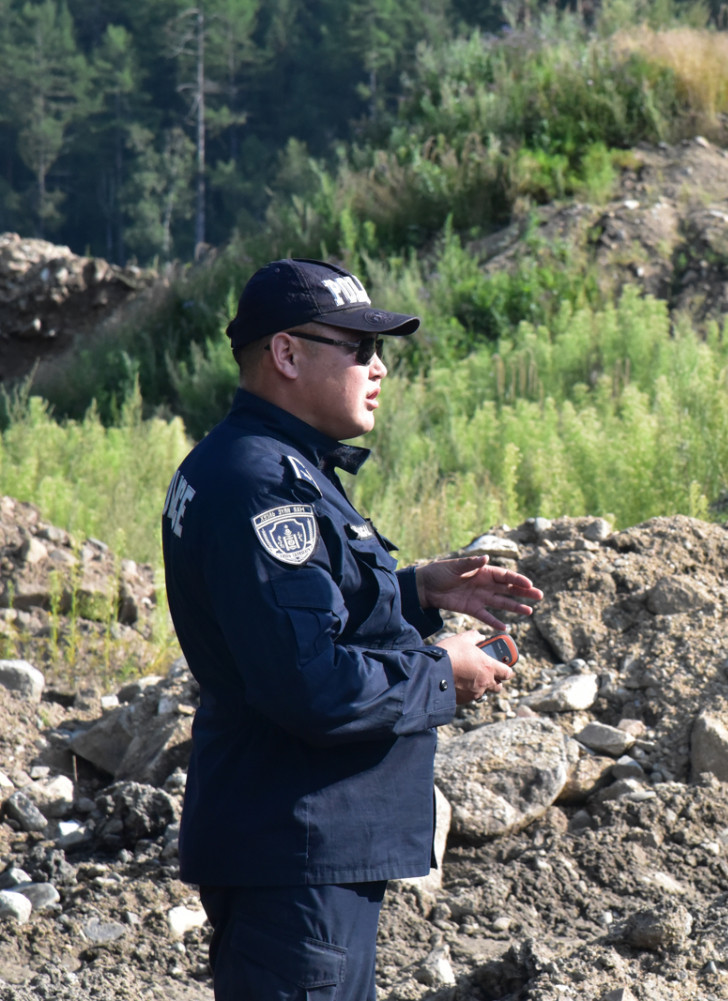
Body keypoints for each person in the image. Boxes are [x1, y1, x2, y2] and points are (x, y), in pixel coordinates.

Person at [161, 258, 544, 1000]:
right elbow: (309, 682)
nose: (380, 369)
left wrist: (416, 591)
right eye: (360, 348)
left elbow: (286, 616)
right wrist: (442, 672)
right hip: (293, 847)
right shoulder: (263, 482)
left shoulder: (270, 462)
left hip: (294, 842)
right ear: (287, 353)